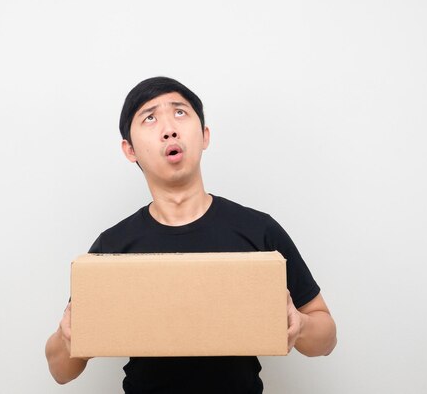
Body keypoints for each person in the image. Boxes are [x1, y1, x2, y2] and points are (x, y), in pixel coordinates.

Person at [45, 77, 337, 393]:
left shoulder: (258, 230)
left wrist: (300, 325)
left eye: (181, 113)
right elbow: (61, 370)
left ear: (205, 135)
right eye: (150, 117)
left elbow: (327, 337)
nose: (169, 128)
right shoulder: (113, 246)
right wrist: (67, 336)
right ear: (129, 150)